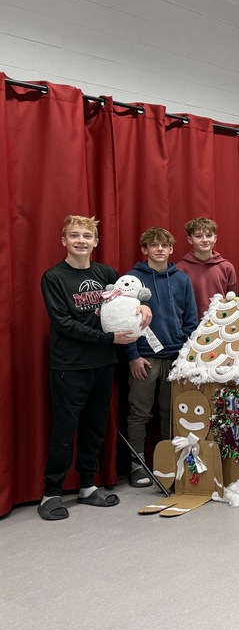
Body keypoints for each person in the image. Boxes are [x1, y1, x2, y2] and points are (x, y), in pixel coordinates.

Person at [38, 215, 153, 520]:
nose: (80, 241)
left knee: (95, 427)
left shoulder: (105, 274)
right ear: (64, 241)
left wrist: (144, 306)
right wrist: (108, 337)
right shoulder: (54, 277)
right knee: (65, 429)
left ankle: (87, 486)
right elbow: (63, 323)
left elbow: (129, 297)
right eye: (74, 236)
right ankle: (51, 493)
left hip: (103, 364)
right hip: (70, 366)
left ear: (95, 242)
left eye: (86, 237)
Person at [124, 227, 199, 487]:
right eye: (153, 245)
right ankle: (137, 465)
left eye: (164, 245)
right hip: (144, 358)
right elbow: (124, 321)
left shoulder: (182, 280)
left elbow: (190, 320)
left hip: (176, 359)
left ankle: (171, 463)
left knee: (171, 413)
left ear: (170, 249)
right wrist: (132, 355)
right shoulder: (132, 280)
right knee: (140, 412)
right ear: (144, 250)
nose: (159, 249)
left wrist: (185, 356)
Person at [177, 217, 237, 316]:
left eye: (209, 235)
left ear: (215, 238)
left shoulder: (227, 267)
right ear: (190, 239)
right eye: (199, 236)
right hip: (191, 327)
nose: (205, 240)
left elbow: (232, 300)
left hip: (220, 324)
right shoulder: (180, 269)